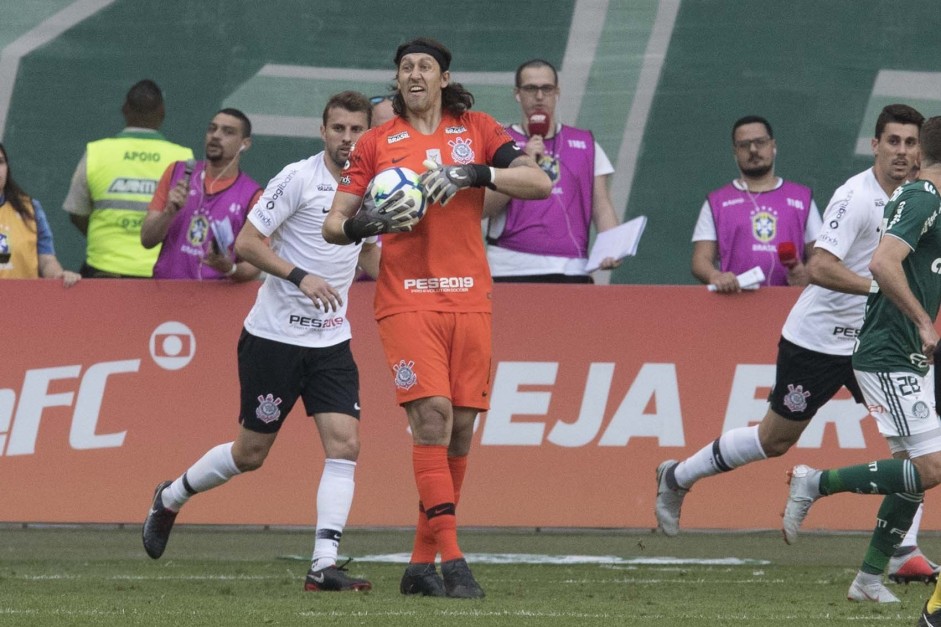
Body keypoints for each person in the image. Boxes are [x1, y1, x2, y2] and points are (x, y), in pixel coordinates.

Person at [657, 104, 932, 601]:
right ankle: (678, 475)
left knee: (915, 448)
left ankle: (900, 552)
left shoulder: (919, 198)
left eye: (911, 143)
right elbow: (820, 266)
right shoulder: (856, 196)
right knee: (774, 440)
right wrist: (880, 290)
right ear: (875, 145)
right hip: (820, 338)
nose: (902, 153)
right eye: (892, 142)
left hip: (881, 344)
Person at [323, 37, 551, 598]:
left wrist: (474, 174)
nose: (415, 74)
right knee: (433, 417)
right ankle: (454, 561)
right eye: (405, 67)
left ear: (444, 78)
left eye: (425, 66)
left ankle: (419, 565)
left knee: (462, 430)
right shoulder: (375, 142)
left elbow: (539, 183)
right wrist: (368, 221)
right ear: (398, 81)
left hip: (469, 298)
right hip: (407, 300)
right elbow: (334, 223)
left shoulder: (478, 129)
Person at [142, 91, 380, 592]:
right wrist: (301, 276)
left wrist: (407, 259)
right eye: (337, 128)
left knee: (346, 445)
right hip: (273, 338)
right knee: (250, 454)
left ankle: (323, 565)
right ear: (323, 132)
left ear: (368, 134)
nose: (346, 138)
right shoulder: (297, 177)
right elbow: (247, 244)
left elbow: (374, 263)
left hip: (332, 342)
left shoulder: (374, 188)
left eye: (356, 129)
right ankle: (171, 497)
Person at [779, 116, 941, 625]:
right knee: (933, 467)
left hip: (900, 351)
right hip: (889, 351)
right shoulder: (923, 199)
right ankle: (815, 482)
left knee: (911, 476)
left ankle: (869, 579)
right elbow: (882, 263)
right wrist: (923, 321)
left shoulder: (920, 197)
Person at [483, 58, 620, 283]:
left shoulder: (585, 143)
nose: (539, 96)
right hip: (510, 266)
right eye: (530, 88)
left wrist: (613, 248)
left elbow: (602, 206)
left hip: (572, 268)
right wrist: (522, 162)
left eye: (546, 88)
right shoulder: (499, 142)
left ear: (557, 92)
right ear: (517, 93)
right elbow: (484, 209)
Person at [62, 79, 193, 278]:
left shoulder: (97, 152)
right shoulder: (183, 159)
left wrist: (107, 239)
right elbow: (188, 218)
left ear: (125, 109)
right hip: (159, 275)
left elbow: (76, 212)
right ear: (162, 112)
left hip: (103, 271)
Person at [691, 115, 822, 291]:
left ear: (773, 146)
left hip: (790, 304)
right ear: (735, 152)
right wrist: (715, 276)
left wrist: (806, 273)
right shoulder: (716, 202)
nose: (753, 149)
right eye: (744, 145)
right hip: (734, 304)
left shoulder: (802, 198)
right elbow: (700, 260)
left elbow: (820, 255)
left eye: (760, 142)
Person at [140, 108, 262, 281]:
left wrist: (229, 268)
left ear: (245, 144)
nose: (216, 135)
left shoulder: (253, 195)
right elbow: (147, 239)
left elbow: (254, 267)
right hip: (165, 292)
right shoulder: (177, 172)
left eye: (227, 132)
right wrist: (169, 213)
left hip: (215, 300)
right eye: (212, 129)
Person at [0, 143, 80, 286]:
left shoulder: (30, 208)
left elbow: (46, 261)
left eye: (0, 162)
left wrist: (58, 274)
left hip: (23, 303)